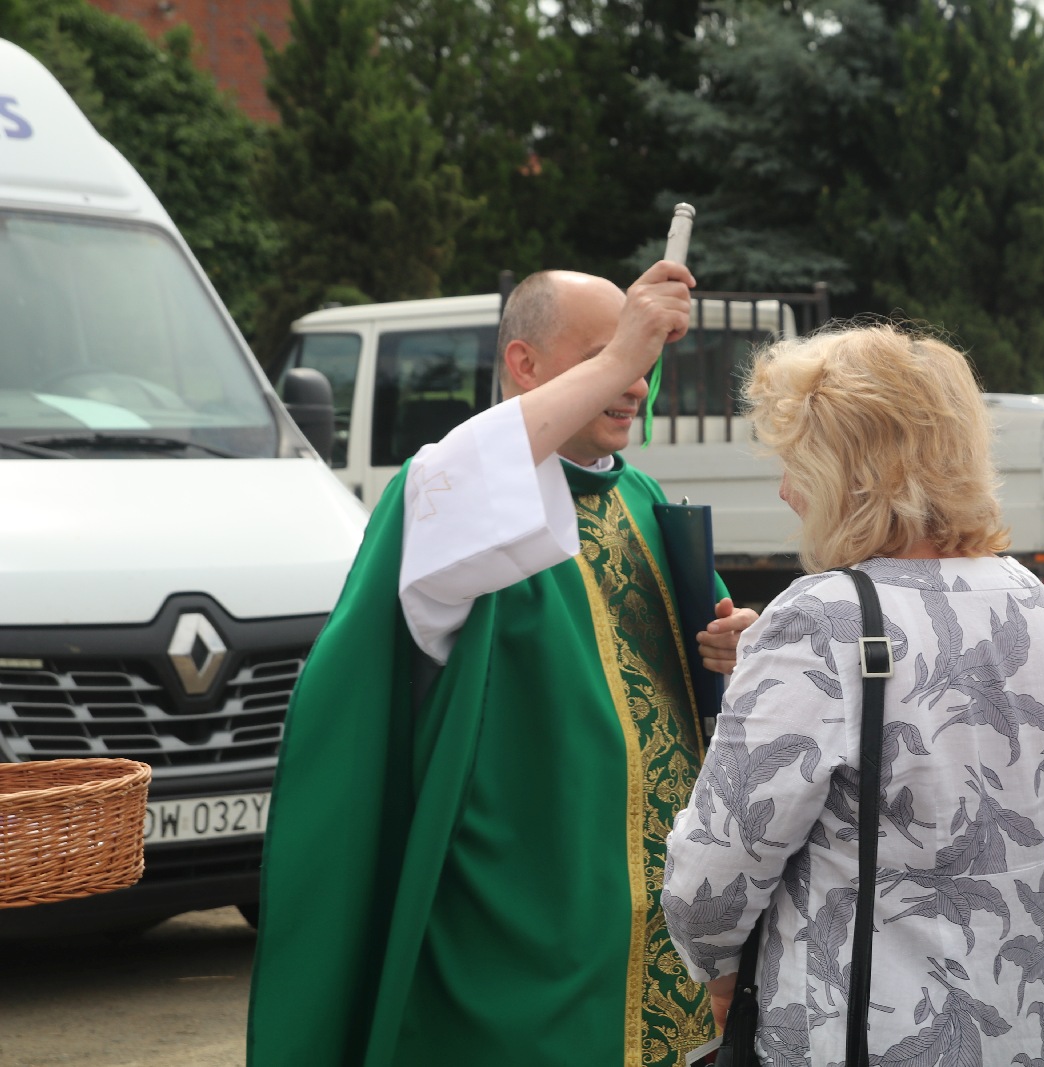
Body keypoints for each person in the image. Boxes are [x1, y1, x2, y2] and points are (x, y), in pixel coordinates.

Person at [248, 263, 757, 1067]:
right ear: (525, 364)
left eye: (641, 360)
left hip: (648, 928)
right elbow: (467, 463)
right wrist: (622, 353)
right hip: (515, 929)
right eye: (606, 354)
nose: (635, 380)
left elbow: (688, 681)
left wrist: (732, 645)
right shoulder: (463, 497)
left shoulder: (642, 497)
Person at [661, 325, 1044, 1066]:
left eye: (797, 461)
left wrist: (716, 970)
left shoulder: (820, 617)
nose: (784, 488)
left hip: (861, 1035)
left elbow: (711, 881)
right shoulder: (1033, 601)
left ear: (852, 471)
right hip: (1020, 1028)